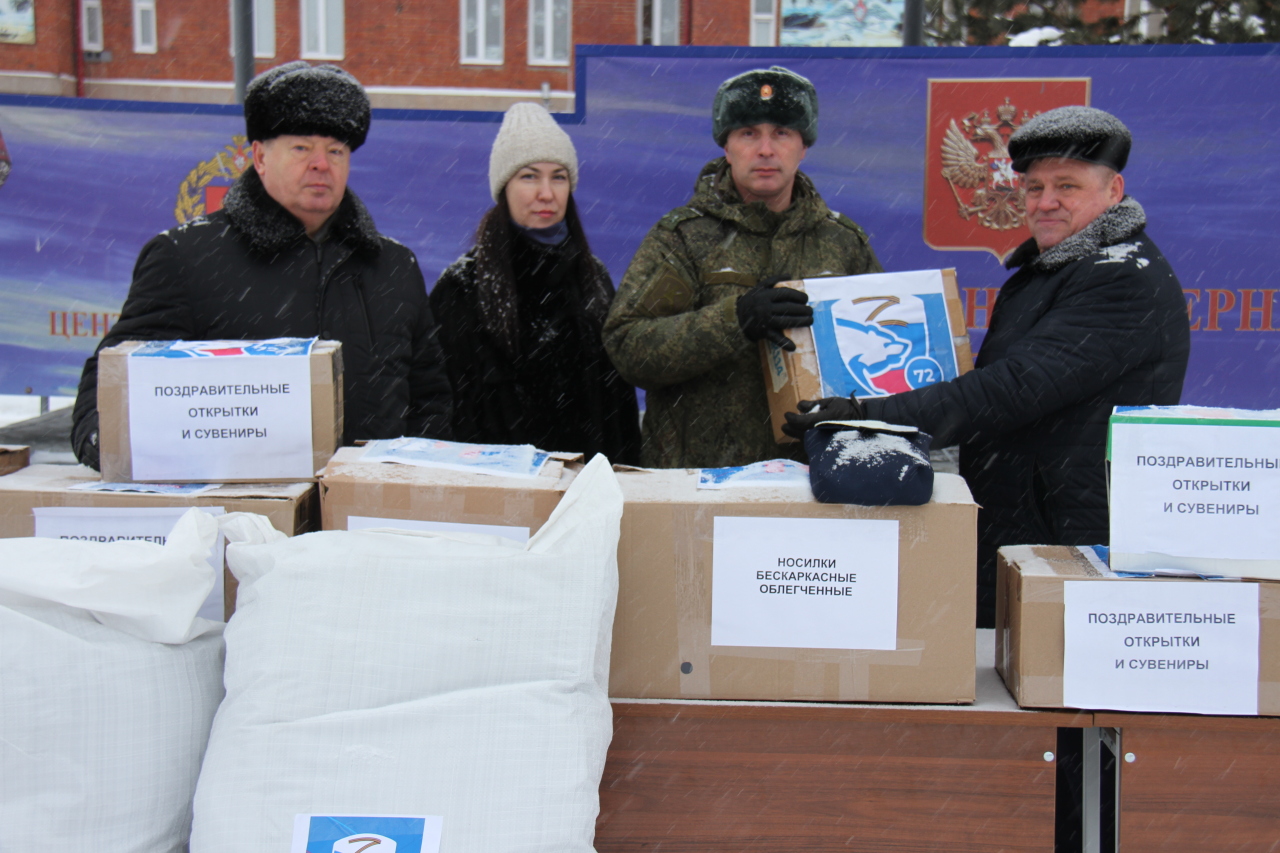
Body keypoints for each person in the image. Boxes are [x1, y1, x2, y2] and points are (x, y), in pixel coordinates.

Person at [783, 106, 1191, 627]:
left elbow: (1013, 390)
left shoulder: (1121, 277)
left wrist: (866, 413)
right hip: (1028, 527)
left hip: (1077, 538)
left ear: (1114, 191)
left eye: (1067, 186)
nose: (1046, 203)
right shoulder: (1054, 270)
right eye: (1034, 187)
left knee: (1059, 693)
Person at [70, 62, 452, 469]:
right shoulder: (186, 257)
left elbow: (430, 397)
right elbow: (110, 393)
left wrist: (408, 482)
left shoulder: (393, 266)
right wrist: (117, 447)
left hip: (363, 519)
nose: (322, 164)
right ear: (259, 157)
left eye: (336, 150)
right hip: (242, 518)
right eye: (302, 148)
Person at [602, 66, 882, 469]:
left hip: (813, 483)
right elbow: (630, 348)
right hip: (698, 484)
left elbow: (882, 359)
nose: (765, 149)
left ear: (803, 147)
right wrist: (735, 320)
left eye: (781, 133)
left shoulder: (843, 245)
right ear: (727, 147)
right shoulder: (683, 238)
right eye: (748, 133)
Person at [429, 103, 641, 463]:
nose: (547, 193)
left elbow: (618, 405)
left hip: (586, 493)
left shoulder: (594, 279)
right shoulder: (462, 287)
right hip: (498, 495)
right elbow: (444, 408)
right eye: (529, 176)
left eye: (558, 177)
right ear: (504, 188)